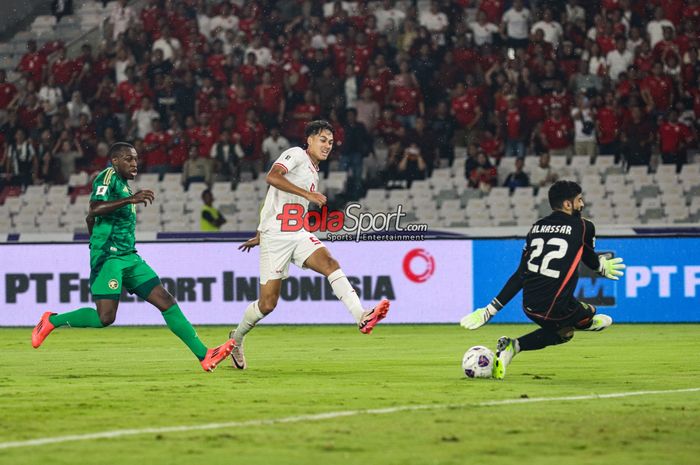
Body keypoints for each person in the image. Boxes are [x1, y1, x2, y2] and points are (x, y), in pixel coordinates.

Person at [31, 143, 235, 372]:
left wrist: (99, 230)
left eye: (136, 159)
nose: (134, 163)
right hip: (109, 257)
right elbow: (94, 209)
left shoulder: (125, 187)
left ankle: (204, 355)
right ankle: (51, 320)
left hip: (129, 256)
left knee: (166, 301)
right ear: (115, 161)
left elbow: (92, 221)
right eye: (128, 159)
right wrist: (107, 235)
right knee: (105, 318)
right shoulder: (107, 178)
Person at [227, 121, 390, 369]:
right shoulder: (295, 154)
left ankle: (361, 315)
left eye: (331, 142)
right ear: (310, 140)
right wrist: (304, 198)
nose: (327, 145)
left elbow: (274, 201)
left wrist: (259, 229)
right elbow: (271, 177)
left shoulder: (313, 170)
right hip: (277, 237)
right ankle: (236, 339)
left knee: (330, 263)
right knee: (267, 304)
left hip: (298, 232)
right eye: (323, 140)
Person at [460, 180, 626, 380]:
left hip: (530, 307)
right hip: (557, 307)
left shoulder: (536, 227)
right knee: (594, 315)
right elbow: (589, 258)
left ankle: (512, 347)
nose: (582, 205)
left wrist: (489, 310)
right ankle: (585, 322)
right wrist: (601, 266)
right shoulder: (583, 226)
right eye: (579, 200)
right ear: (567, 204)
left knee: (563, 333)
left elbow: (521, 274)